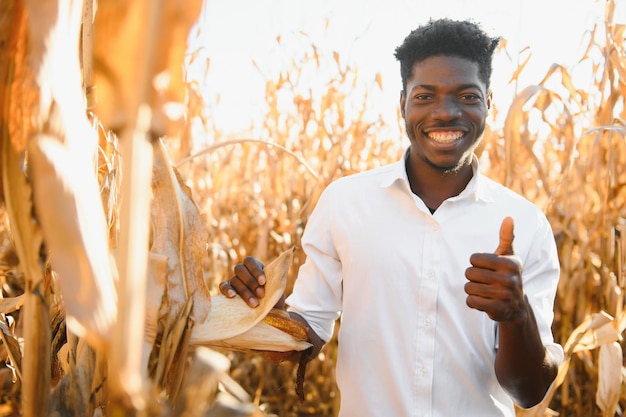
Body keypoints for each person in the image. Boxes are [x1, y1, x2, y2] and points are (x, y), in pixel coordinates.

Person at [219, 18, 563, 417]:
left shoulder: (526, 223)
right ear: (402, 104)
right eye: (425, 96)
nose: (446, 113)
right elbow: (307, 332)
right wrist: (262, 314)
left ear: (490, 102)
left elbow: (529, 391)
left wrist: (515, 314)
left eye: (467, 96)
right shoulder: (345, 202)